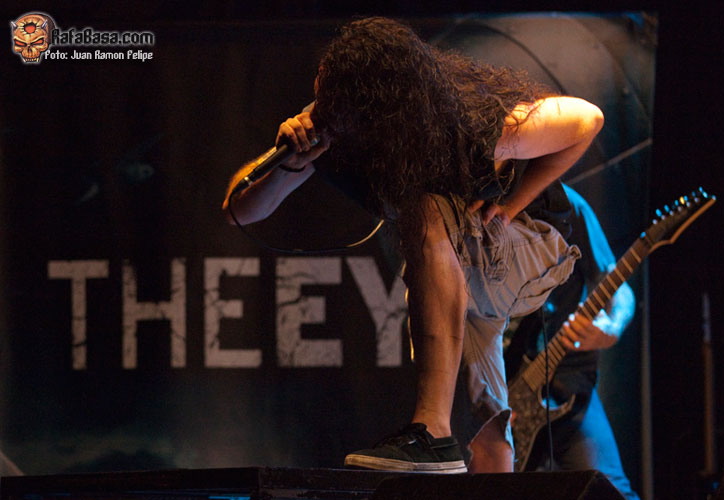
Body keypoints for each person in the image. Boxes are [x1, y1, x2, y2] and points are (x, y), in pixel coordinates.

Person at [222, 17, 603, 473]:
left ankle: (432, 432)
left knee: (426, 210)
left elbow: (587, 118)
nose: (327, 114)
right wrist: (291, 163)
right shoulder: (333, 127)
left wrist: (511, 204)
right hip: (465, 254)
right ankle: (477, 464)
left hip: (533, 244)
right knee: (484, 421)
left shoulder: (472, 124)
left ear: (383, 113)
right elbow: (241, 211)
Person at [504, 184, 639, 498]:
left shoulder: (568, 205)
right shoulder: (481, 205)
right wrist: (491, 401)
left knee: (610, 491)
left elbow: (618, 288)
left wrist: (612, 327)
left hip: (568, 385)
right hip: (504, 392)